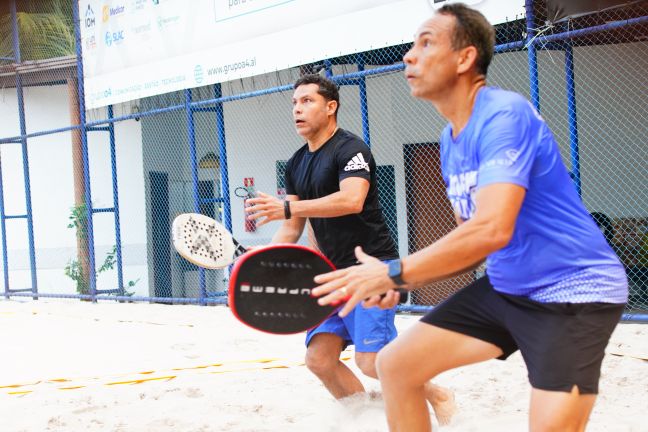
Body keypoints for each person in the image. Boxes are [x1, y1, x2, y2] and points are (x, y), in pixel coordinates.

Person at [312, 5, 628, 432]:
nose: (408, 56)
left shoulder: (504, 114)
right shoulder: (450, 137)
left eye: (426, 43)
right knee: (396, 364)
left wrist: (395, 272)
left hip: (573, 288)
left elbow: (492, 227)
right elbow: (471, 239)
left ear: (464, 59)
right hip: (509, 287)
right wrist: (402, 281)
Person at [245, 74, 455, 424]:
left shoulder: (351, 150)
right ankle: (368, 420)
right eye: (295, 103)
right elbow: (292, 226)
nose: (298, 109)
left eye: (308, 101)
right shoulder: (296, 163)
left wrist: (288, 208)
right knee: (319, 361)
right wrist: (262, 261)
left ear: (331, 107)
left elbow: (351, 199)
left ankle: (437, 393)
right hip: (329, 274)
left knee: (372, 362)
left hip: (369, 268)